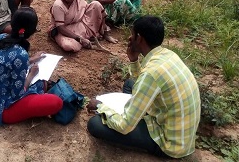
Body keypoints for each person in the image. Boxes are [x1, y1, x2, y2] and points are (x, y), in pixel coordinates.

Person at [86, 15, 201, 158]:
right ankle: (136, 113)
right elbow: (145, 82)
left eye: (132, 34)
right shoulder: (167, 54)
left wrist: (100, 106)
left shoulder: (151, 74)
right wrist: (134, 61)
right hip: (179, 130)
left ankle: (149, 138)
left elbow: (124, 126)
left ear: (139, 38)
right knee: (130, 84)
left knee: (95, 124)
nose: (129, 38)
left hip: (170, 144)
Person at [0, 7, 63, 125]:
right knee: (56, 102)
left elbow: (7, 63)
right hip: (2, 111)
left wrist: (31, 60)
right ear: (31, 31)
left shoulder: (1, 38)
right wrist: (30, 75)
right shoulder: (20, 54)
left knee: (42, 84)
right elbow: (17, 94)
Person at [49, 0, 118, 52]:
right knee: (68, 46)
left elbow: (88, 10)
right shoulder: (58, 5)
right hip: (64, 31)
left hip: (80, 24)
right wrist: (79, 39)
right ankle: (86, 39)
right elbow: (60, 28)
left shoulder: (78, 0)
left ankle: (105, 33)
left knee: (96, 5)